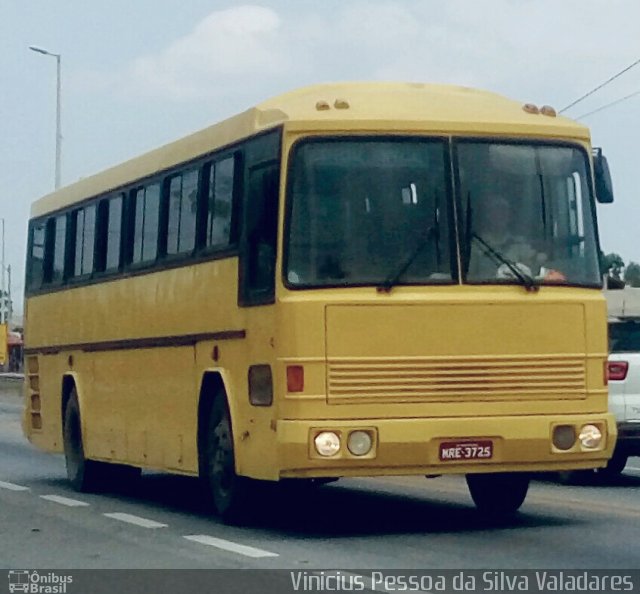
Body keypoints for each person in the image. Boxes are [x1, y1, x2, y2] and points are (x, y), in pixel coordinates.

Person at [469, 196, 547, 280]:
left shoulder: (519, 244)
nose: (501, 215)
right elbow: (469, 276)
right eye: (496, 211)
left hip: (517, 290)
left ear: (509, 216)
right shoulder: (477, 245)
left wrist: (542, 257)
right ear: (488, 215)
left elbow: (536, 265)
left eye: (504, 211)